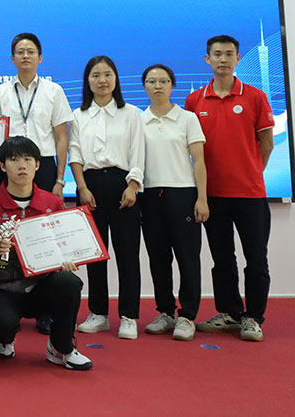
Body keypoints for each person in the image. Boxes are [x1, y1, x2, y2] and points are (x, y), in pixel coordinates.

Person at [0, 136, 92, 370]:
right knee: (1, 321)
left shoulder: (53, 203)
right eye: (14, 160)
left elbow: (66, 244)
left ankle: (61, 348)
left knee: (69, 282)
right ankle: (4, 339)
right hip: (3, 289)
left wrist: (67, 259)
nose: (22, 166)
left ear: (38, 164)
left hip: (41, 286)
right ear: (2, 166)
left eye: (28, 160)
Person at [185, 35, 273, 342]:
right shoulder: (195, 100)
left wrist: (251, 172)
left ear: (238, 58)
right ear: (207, 59)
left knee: (256, 260)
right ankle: (230, 313)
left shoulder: (255, 96)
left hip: (251, 195)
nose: (223, 59)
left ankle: (254, 318)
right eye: (217, 54)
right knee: (222, 259)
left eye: (229, 54)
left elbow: (266, 143)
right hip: (212, 196)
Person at [69, 55, 145, 340]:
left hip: (123, 185)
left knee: (128, 254)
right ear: (87, 81)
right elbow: (75, 153)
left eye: (107, 75)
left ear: (116, 79)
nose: (102, 80)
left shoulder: (131, 113)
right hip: (90, 187)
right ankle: (98, 313)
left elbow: (138, 151)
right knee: (95, 254)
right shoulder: (78, 115)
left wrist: (133, 185)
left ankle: (128, 316)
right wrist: (82, 187)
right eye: (96, 75)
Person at [140, 64, 208, 341]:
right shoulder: (138, 121)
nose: (158, 86)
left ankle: (187, 316)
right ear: (144, 86)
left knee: (187, 257)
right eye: (152, 81)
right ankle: (166, 312)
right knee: (158, 258)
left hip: (183, 193)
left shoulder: (188, 119)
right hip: (150, 195)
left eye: (164, 81)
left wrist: (202, 197)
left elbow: (199, 161)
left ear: (172, 85)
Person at [0, 33, 72, 198]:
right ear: (12, 58)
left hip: (44, 164)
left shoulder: (54, 91)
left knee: (44, 212)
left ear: (40, 58)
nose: (25, 56)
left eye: (31, 52)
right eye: (20, 52)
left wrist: (60, 180)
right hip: (10, 163)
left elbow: (61, 138)